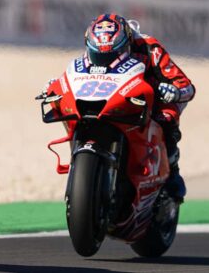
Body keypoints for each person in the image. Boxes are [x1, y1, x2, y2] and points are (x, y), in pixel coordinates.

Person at [45, 14, 195, 201]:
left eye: (112, 54)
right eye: (99, 55)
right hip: (110, 97)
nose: (104, 59)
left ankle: (172, 172)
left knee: (166, 116)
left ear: (128, 42)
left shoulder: (150, 47)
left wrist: (175, 91)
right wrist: (57, 87)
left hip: (146, 98)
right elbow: (73, 76)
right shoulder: (89, 53)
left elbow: (186, 85)